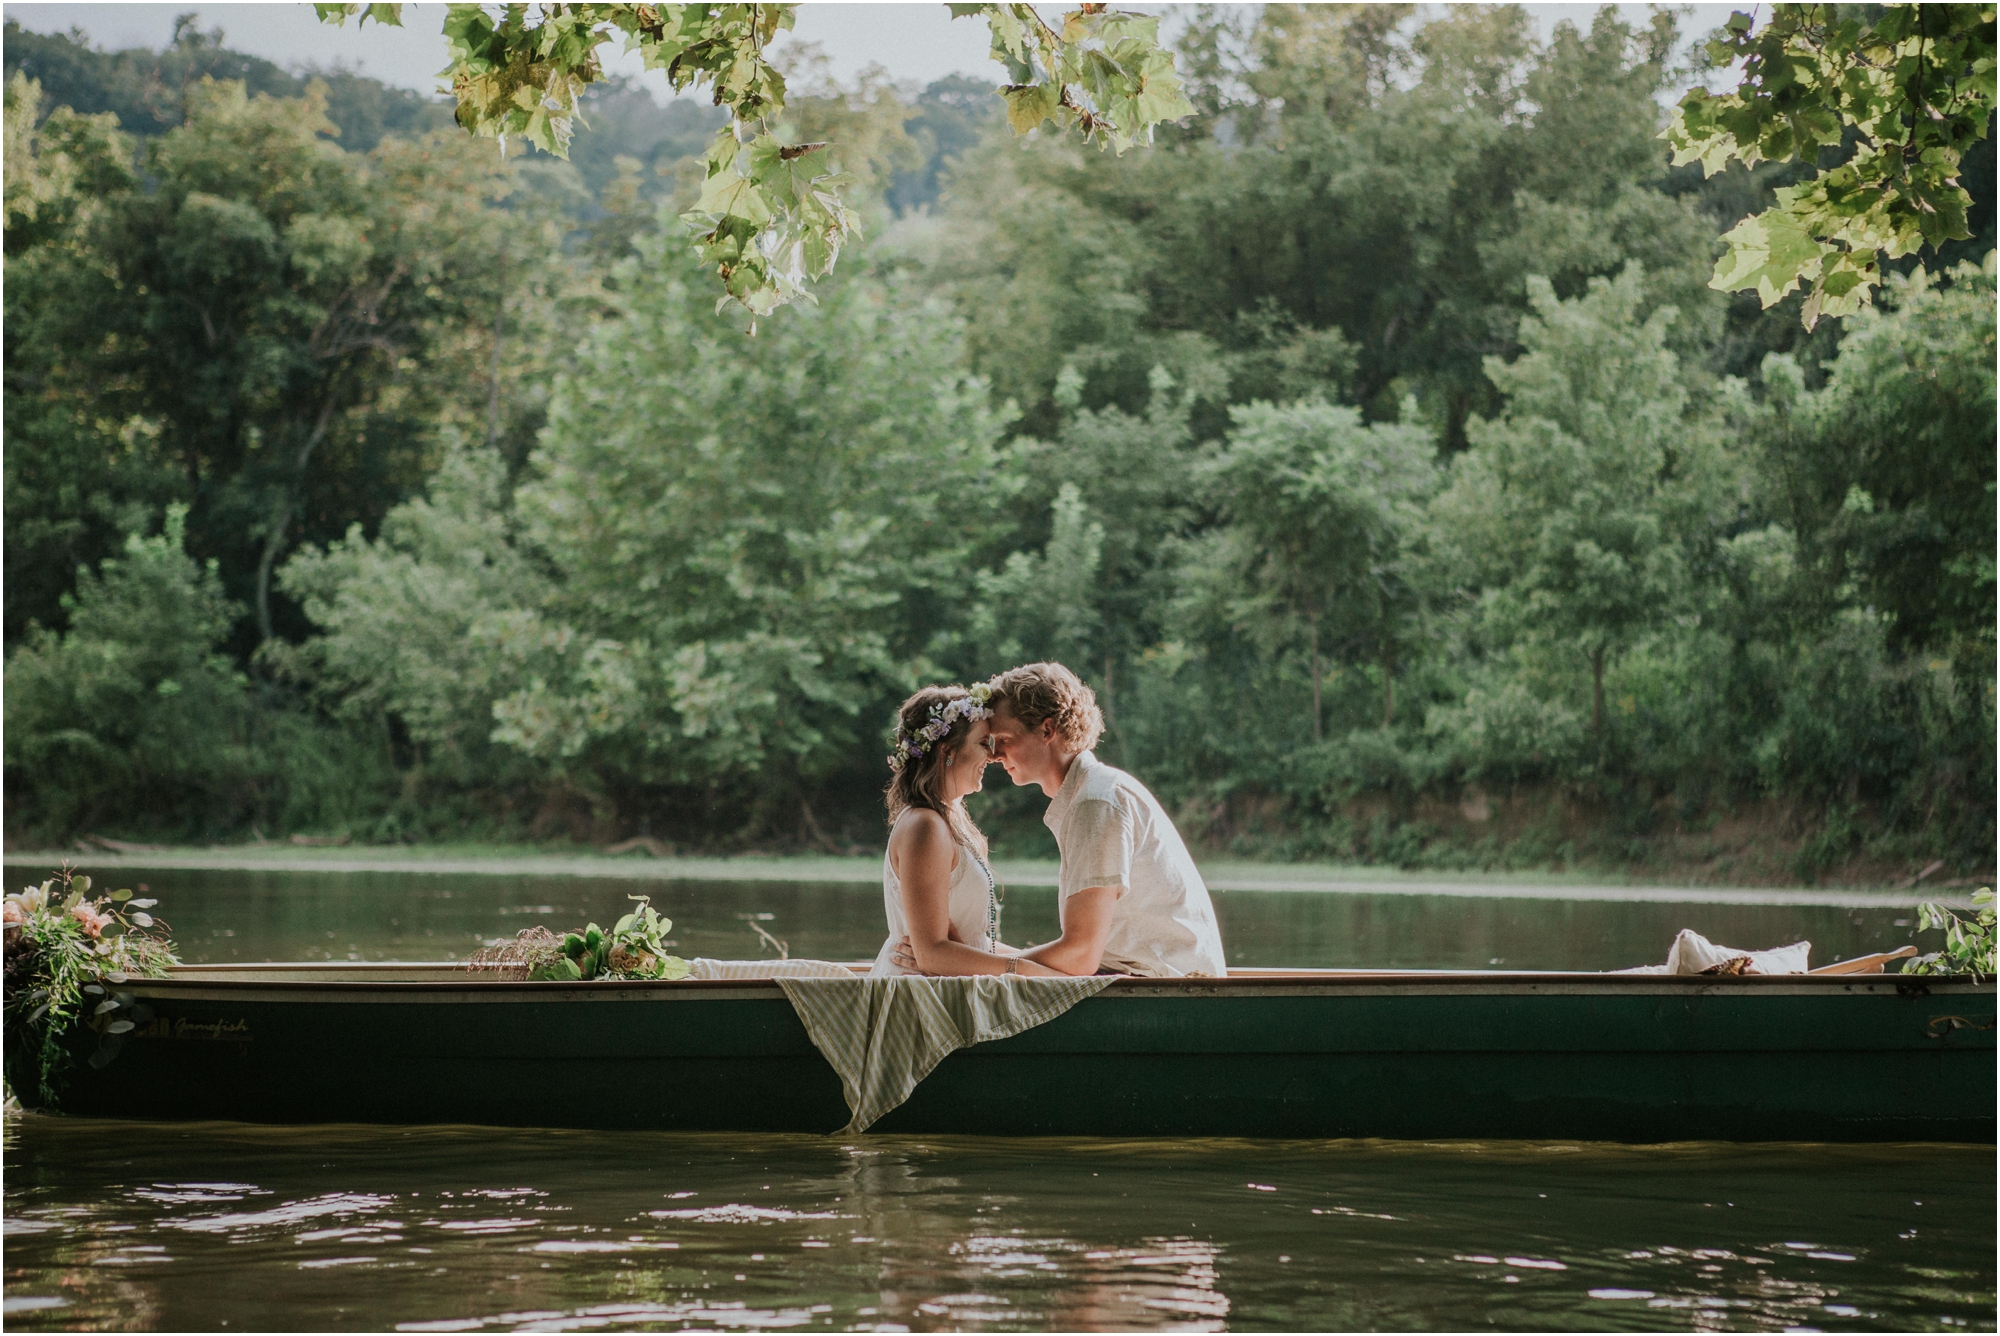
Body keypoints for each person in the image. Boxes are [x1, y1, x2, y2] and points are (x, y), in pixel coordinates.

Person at [897, 662, 1227, 978]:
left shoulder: (1096, 802)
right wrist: (960, 956)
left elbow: (1080, 955)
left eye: (1004, 741)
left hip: (1164, 985)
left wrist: (981, 963)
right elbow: (1081, 955)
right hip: (1138, 976)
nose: (995, 756)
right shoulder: (1092, 794)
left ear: (1047, 729)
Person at [870, 684, 1066, 978]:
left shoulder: (944, 821)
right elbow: (932, 954)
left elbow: (974, 944)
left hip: (948, 988)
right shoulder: (925, 827)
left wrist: (1048, 966)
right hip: (922, 998)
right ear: (947, 751)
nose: (992, 755)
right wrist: (1023, 970)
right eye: (983, 743)